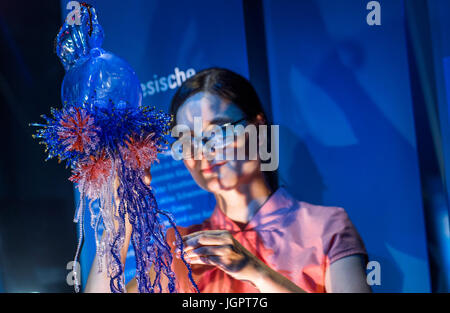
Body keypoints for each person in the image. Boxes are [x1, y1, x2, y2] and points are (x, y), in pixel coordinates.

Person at [86, 68, 371, 293]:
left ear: (259, 128)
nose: (204, 150)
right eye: (188, 139)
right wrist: (118, 223)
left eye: (219, 130)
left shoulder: (326, 227)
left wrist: (256, 272)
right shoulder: (180, 246)